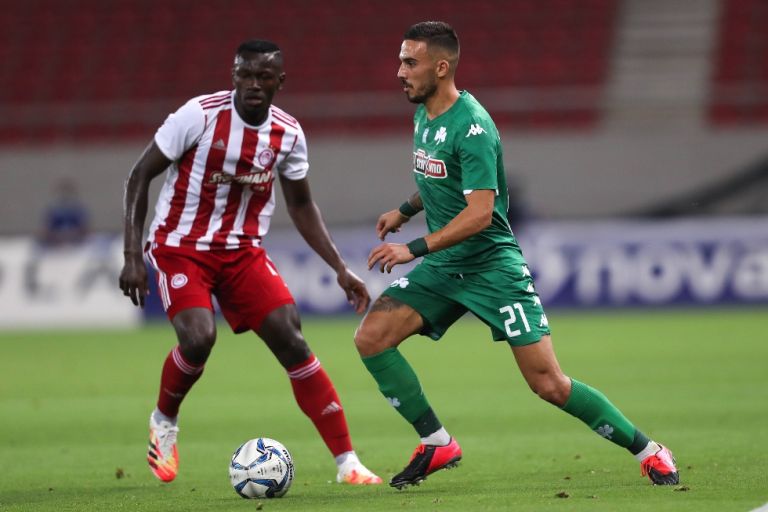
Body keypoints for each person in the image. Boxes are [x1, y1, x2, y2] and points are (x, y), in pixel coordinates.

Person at [355, 21, 679, 489]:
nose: (400, 72)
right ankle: (436, 442)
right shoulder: (424, 114)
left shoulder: (472, 126)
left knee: (549, 384)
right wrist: (404, 210)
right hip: (447, 267)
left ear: (441, 68)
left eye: (410, 62)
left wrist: (412, 248)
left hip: (491, 268)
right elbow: (441, 176)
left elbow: (480, 213)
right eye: (400, 61)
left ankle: (649, 451)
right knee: (371, 338)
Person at [118, 40, 381, 486]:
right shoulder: (199, 116)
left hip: (242, 252)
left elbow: (301, 205)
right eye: (245, 75)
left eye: (263, 76)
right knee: (199, 338)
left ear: (280, 81)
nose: (253, 84)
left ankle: (347, 462)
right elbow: (138, 176)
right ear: (233, 75)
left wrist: (339, 267)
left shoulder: (288, 133)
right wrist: (131, 255)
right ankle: (164, 420)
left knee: (292, 339)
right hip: (180, 246)